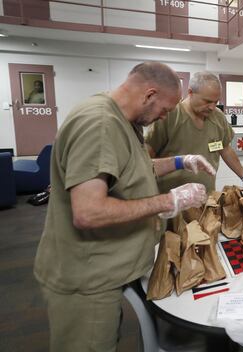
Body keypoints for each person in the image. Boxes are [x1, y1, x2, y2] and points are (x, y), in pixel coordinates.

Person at [33, 62, 216, 352]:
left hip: (106, 269)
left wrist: (181, 161)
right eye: (165, 110)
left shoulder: (122, 120)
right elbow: (88, 211)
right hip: (88, 278)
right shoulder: (101, 125)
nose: (163, 117)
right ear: (149, 94)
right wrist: (169, 201)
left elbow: (135, 170)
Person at [146, 71, 243, 193]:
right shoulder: (169, 116)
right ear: (190, 92)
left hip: (206, 199)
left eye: (216, 102)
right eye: (207, 101)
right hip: (171, 202)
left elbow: (225, 149)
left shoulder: (218, 117)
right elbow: (146, 159)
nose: (212, 107)